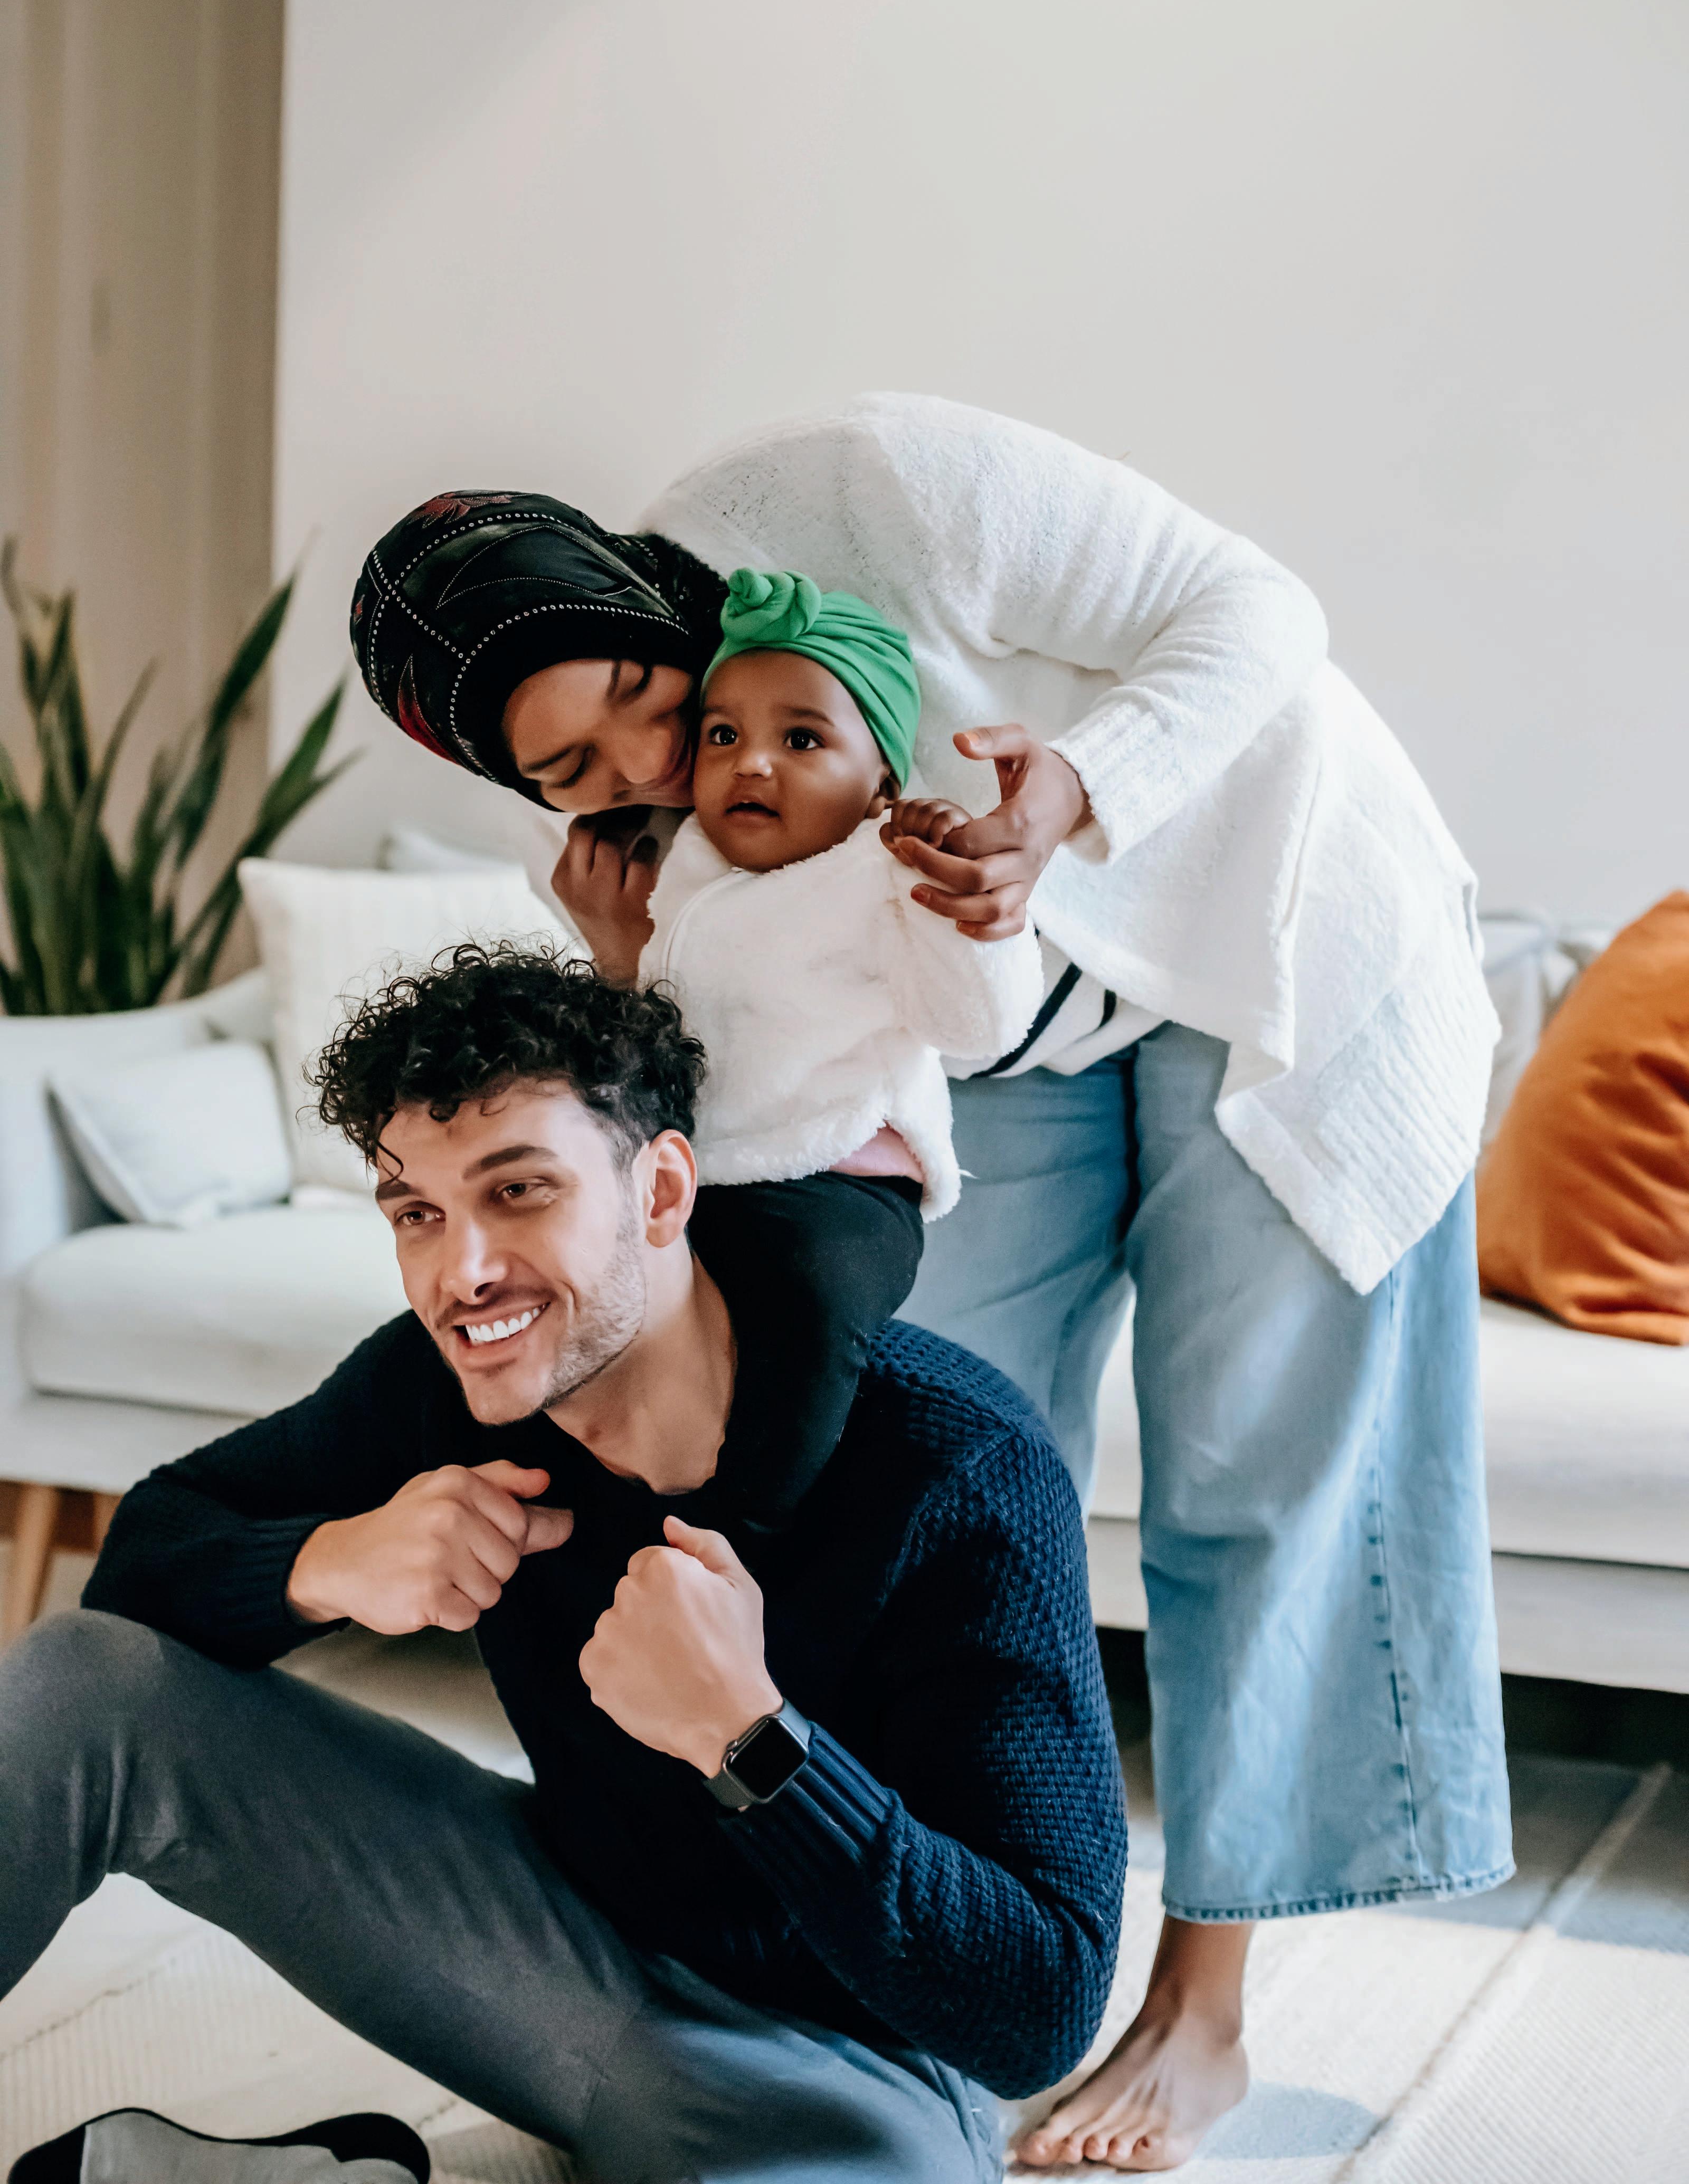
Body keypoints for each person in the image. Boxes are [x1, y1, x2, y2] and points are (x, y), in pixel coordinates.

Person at [349, 392, 1513, 2171]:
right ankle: (936, 1964)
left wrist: (1077, 790)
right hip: (976, 1014)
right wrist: (629, 950)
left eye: (643, 694)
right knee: (941, 1451)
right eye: (571, 770)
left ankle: (1200, 2014)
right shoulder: (628, 831)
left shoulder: (872, 488)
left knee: (1256, 1480)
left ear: (637, 596)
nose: (646, 762)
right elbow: (731, 1061)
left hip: (1273, 935)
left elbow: (1258, 611)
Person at [0, 949, 1127, 2184]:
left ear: (661, 1190)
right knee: (84, 1681)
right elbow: (141, 1570)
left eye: (520, 1190)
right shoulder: (440, 1387)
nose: (462, 1271)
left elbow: (1042, 2008)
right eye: (417, 1213)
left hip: (850, 2064)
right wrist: (324, 1563)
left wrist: (755, 1743)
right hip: (554, 1953)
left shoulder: (958, 1466)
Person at [629, 562, 1043, 1216]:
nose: (749, 762)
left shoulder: (891, 865)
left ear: (882, 785)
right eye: (723, 735)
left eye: (801, 739)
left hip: (845, 1173)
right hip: (709, 1174)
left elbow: (980, 1025)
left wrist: (943, 873)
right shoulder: (691, 867)